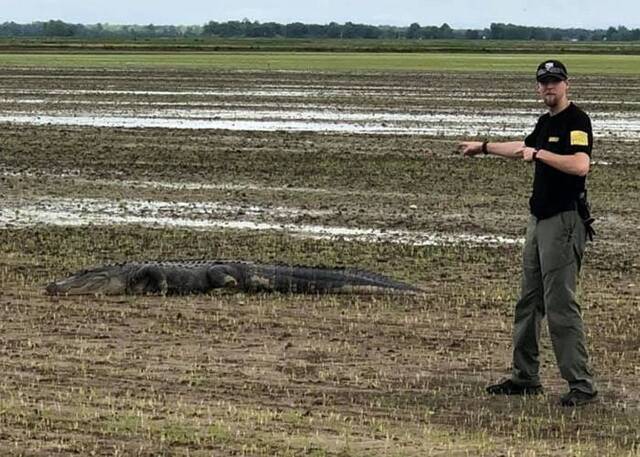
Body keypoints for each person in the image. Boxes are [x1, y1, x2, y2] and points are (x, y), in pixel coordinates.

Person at [458, 59, 597, 407]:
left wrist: (541, 154)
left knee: (560, 304)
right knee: (529, 301)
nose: (549, 87)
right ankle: (525, 376)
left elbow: (580, 165)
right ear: (538, 87)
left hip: (564, 222)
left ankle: (581, 384)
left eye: (555, 81)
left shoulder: (577, 121)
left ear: (567, 84)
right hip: (538, 221)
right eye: (544, 82)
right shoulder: (544, 122)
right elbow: (523, 147)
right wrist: (485, 147)